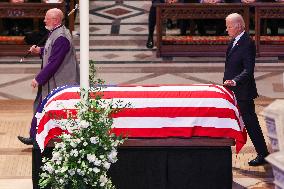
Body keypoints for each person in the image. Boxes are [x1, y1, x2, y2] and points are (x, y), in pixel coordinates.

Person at [17, 8, 80, 145]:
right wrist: (39, 50)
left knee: (47, 109)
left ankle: (39, 137)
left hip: (60, 82)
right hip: (53, 80)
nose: (44, 20)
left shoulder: (61, 37)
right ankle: (35, 136)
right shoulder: (56, 33)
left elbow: (54, 62)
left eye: (46, 18)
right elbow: (51, 52)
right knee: (41, 107)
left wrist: (38, 78)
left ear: (55, 20)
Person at [223, 13, 269, 166]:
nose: (227, 29)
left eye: (229, 26)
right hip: (233, 89)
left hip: (243, 91)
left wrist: (235, 81)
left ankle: (262, 153)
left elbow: (248, 70)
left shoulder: (247, 43)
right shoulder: (234, 41)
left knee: (251, 123)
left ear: (238, 26)